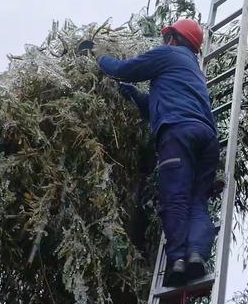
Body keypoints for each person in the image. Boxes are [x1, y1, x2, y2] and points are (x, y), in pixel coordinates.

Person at [93, 19, 219, 287]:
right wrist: (134, 96)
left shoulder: (167, 55)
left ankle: (177, 262)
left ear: (172, 38)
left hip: (178, 135)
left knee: (176, 199)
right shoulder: (192, 70)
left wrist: (97, 56)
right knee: (198, 202)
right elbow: (156, 105)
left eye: (165, 37)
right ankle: (196, 255)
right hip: (206, 139)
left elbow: (123, 69)